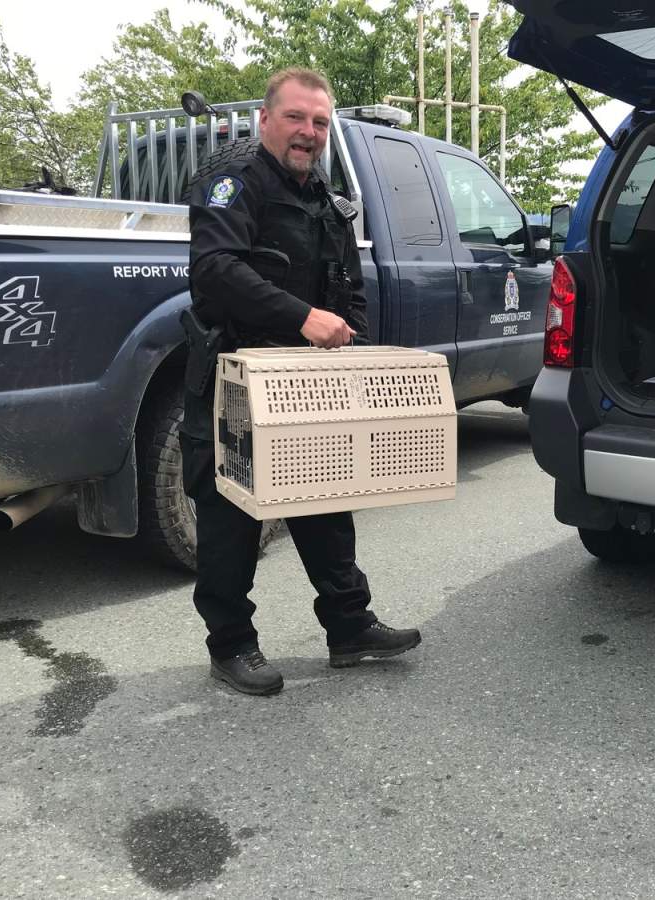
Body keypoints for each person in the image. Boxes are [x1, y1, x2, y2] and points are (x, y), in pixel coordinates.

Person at [180, 67, 422, 695]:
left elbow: (350, 290)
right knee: (231, 515)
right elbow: (214, 268)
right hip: (235, 378)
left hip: (307, 382)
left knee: (324, 499)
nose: (307, 132)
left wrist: (352, 349)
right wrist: (303, 318)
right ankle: (231, 644)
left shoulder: (326, 197)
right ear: (266, 119)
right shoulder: (233, 181)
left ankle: (349, 627)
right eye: (295, 118)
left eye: (319, 122)